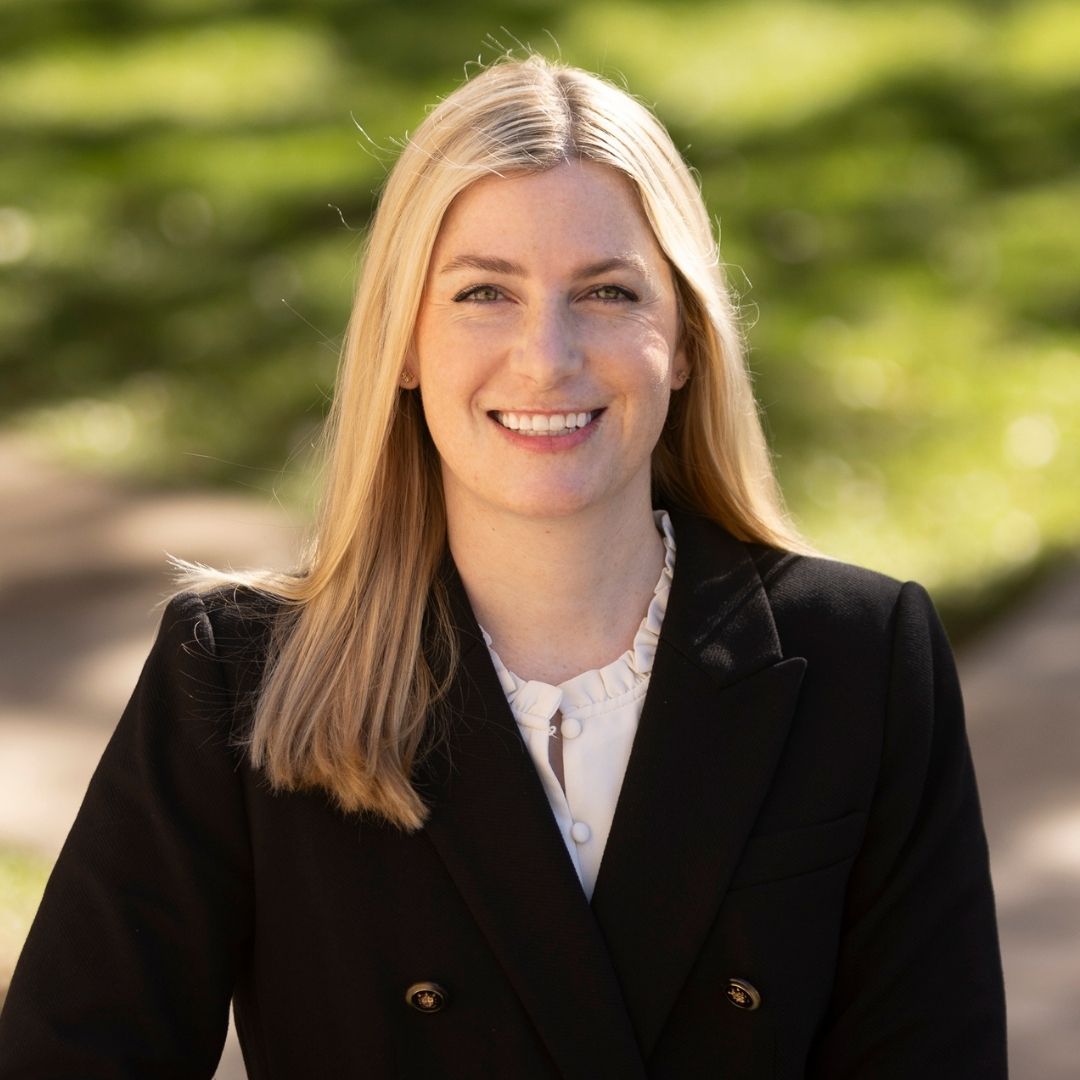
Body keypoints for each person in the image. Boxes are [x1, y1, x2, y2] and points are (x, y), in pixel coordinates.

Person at [0, 55, 1006, 1078]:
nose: (547, 356)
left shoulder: (860, 659)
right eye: (484, 292)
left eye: (607, 292)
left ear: (687, 339)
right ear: (403, 343)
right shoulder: (242, 677)